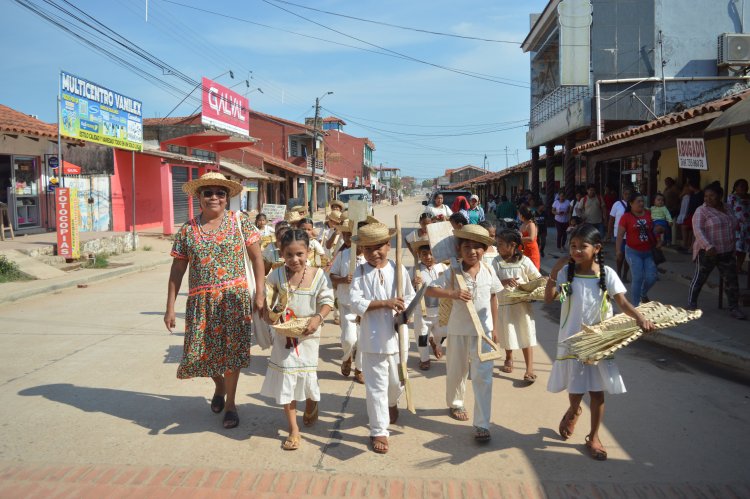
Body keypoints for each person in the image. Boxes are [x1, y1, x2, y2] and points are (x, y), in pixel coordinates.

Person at [544, 224, 655, 461]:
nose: (576, 250)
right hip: (572, 340)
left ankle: (593, 437)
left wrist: (641, 318)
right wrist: (554, 270)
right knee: (575, 390)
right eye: (572, 246)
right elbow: (549, 298)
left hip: (599, 341)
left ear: (596, 248)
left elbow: (623, 303)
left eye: (582, 246)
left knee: (597, 392)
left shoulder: (608, 275)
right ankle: (574, 410)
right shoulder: (566, 273)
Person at [164, 172, 266, 430]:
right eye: (207, 192)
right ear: (198, 197)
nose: (214, 197)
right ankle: (219, 385)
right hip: (201, 303)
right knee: (202, 354)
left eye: (220, 193)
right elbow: (177, 270)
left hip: (234, 300)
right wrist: (170, 307)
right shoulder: (188, 230)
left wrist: (261, 293)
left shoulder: (240, 221)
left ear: (227, 197)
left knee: (232, 355)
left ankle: (231, 403)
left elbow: (257, 259)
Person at [425, 224, 502, 442]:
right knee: (457, 371)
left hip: (483, 333)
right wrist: (453, 293)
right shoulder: (452, 271)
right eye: (467, 246)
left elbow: (494, 297)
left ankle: (482, 424)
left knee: (483, 377)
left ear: (485, 250)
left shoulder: (488, 270)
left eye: (477, 247)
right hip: (458, 330)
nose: (472, 251)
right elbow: (430, 289)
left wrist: (495, 328)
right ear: (459, 249)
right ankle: (456, 403)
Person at [260, 229, 335, 451]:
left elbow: (328, 300)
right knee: (286, 381)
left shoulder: (318, 275)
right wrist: (269, 312)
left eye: (300, 254)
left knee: (307, 376)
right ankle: (293, 429)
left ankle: (312, 401)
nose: (295, 260)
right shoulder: (275, 276)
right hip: (283, 338)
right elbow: (268, 304)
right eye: (289, 255)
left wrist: (318, 318)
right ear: (281, 253)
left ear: (308, 252)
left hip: (309, 336)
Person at [350, 222, 416, 454]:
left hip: (397, 339)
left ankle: (391, 403)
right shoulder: (359, 272)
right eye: (368, 249)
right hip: (373, 339)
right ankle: (379, 430)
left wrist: (406, 312)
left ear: (389, 246)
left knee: (395, 383)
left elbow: (409, 297)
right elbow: (355, 302)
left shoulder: (398, 270)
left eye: (379, 247)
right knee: (375, 387)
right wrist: (384, 304)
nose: (374, 253)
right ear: (362, 251)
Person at [689, 182, 747, 320]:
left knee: (731, 280)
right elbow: (698, 230)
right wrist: (708, 246)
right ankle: (691, 305)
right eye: (706, 196)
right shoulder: (701, 211)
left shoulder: (727, 207)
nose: (708, 199)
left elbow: (734, 223)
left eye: (712, 196)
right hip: (708, 251)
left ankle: (734, 307)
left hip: (726, 251)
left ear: (720, 196)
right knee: (700, 278)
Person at [493, 229, 541, 383]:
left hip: (522, 306)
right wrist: (504, 282)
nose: (497, 247)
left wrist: (528, 288)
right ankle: (509, 356)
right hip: (505, 305)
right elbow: (490, 283)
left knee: (526, 335)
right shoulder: (496, 262)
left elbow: (537, 280)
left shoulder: (525, 261)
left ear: (512, 245)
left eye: (500, 244)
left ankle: (529, 369)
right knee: (508, 335)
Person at [329, 219, 366, 383]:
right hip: (346, 304)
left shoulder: (370, 257)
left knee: (364, 340)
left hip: (366, 307)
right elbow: (332, 276)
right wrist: (343, 279)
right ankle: (346, 358)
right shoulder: (343, 255)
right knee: (349, 339)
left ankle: (360, 369)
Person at [411, 240, 448, 370]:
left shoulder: (443, 268)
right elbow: (406, 290)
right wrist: (412, 283)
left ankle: (436, 344)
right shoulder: (415, 271)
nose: (428, 257)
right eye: (424, 254)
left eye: (431, 253)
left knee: (443, 332)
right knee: (422, 337)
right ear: (419, 255)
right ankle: (424, 359)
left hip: (441, 310)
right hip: (422, 312)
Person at [617, 192, 659, 306]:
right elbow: (620, 235)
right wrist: (618, 251)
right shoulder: (626, 217)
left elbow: (653, 230)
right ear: (631, 204)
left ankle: (642, 293)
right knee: (638, 277)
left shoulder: (649, 214)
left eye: (642, 201)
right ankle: (635, 306)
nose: (641, 203)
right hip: (633, 252)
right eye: (638, 201)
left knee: (652, 277)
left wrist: (659, 234)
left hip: (648, 252)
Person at [606, 185, 633, 281]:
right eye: (626, 194)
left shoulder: (634, 204)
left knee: (628, 256)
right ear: (622, 194)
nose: (628, 196)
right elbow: (611, 219)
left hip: (631, 234)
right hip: (619, 234)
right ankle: (618, 273)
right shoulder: (617, 204)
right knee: (619, 255)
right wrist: (608, 233)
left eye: (629, 194)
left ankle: (625, 275)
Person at [727, 178, 750, 273]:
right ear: (736, 187)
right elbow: (729, 211)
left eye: (745, 186)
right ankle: (732, 266)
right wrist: (733, 222)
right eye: (741, 186)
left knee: (744, 248)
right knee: (736, 248)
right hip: (737, 226)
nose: (743, 188)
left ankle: (739, 267)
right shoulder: (732, 197)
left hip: (748, 227)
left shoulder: (749, 197)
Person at [676, 179, 701, 253]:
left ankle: (690, 246)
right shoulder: (692, 195)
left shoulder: (699, 195)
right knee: (687, 229)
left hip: (695, 214)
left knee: (690, 229)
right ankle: (687, 244)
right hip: (690, 214)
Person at [518, 206, 541, 270]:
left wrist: (519, 239)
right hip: (524, 250)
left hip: (531, 251)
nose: (518, 216)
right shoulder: (523, 224)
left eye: (519, 214)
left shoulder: (531, 224)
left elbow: (531, 238)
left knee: (533, 270)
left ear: (522, 215)